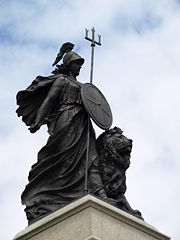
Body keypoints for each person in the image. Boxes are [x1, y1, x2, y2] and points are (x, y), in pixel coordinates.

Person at [16, 43, 107, 224]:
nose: (80, 67)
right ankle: (56, 191)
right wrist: (38, 121)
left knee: (90, 155)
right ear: (69, 64)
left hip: (83, 121)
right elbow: (50, 101)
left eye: (81, 64)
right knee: (63, 156)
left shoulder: (83, 86)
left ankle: (98, 189)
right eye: (77, 64)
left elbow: (94, 105)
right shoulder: (62, 81)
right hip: (67, 119)